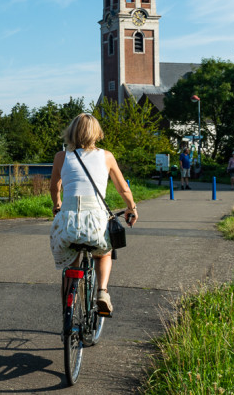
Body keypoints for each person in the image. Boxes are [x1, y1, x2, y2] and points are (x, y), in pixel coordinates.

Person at [49, 113, 138, 316]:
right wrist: (132, 207)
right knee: (104, 253)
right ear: (96, 133)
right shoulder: (106, 156)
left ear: (71, 133)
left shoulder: (61, 157)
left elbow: (54, 188)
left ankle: (67, 314)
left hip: (68, 222)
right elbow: (123, 188)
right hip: (96, 222)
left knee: (70, 267)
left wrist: (57, 205)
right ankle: (102, 292)